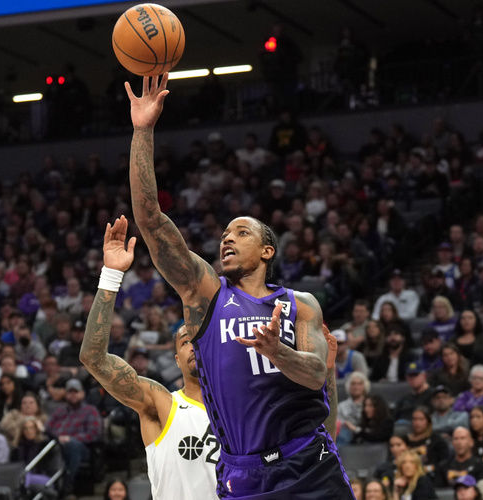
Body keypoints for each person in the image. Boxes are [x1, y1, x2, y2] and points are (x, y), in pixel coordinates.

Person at [125, 74, 352, 498]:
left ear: (267, 251)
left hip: (308, 462)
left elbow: (315, 373)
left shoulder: (300, 305)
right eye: (225, 233)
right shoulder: (205, 295)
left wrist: (277, 351)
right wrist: (142, 131)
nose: (227, 238)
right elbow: (152, 222)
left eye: (241, 233)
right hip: (243, 473)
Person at [79, 216, 220, 500]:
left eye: (199, 338)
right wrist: (111, 275)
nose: (193, 344)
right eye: (185, 340)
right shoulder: (161, 402)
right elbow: (94, 358)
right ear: (176, 359)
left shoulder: (241, 410)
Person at [44, 378, 102, 499]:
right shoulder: (59, 410)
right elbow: (48, 427)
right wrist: (58, 437)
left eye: (76, 392)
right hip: (58, 444)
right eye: (70, 392)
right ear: (66, 394)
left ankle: (67, 486)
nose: (73, 395)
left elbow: (94, 433)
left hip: (83, 448)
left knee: (72, 445)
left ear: (82, 393)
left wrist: (70, 438)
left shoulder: (90, 410)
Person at [406, 407, 449, 474]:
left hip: (430, 475)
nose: (417, 423)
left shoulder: (436, 440)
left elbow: (444, 462)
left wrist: (430, 468)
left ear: (428, 421)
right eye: (414, 419)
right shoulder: (406, 440)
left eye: (421, 419)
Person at [337, 372, 369, 445]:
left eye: (359, 384)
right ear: (348, 386)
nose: (356, 387)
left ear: (364, 386)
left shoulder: (370, 404)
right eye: (353, 384)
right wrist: (346, 424)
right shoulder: (341, 405)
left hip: (365, 434)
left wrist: (355, 429)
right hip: (345, 434)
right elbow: (338, 422)